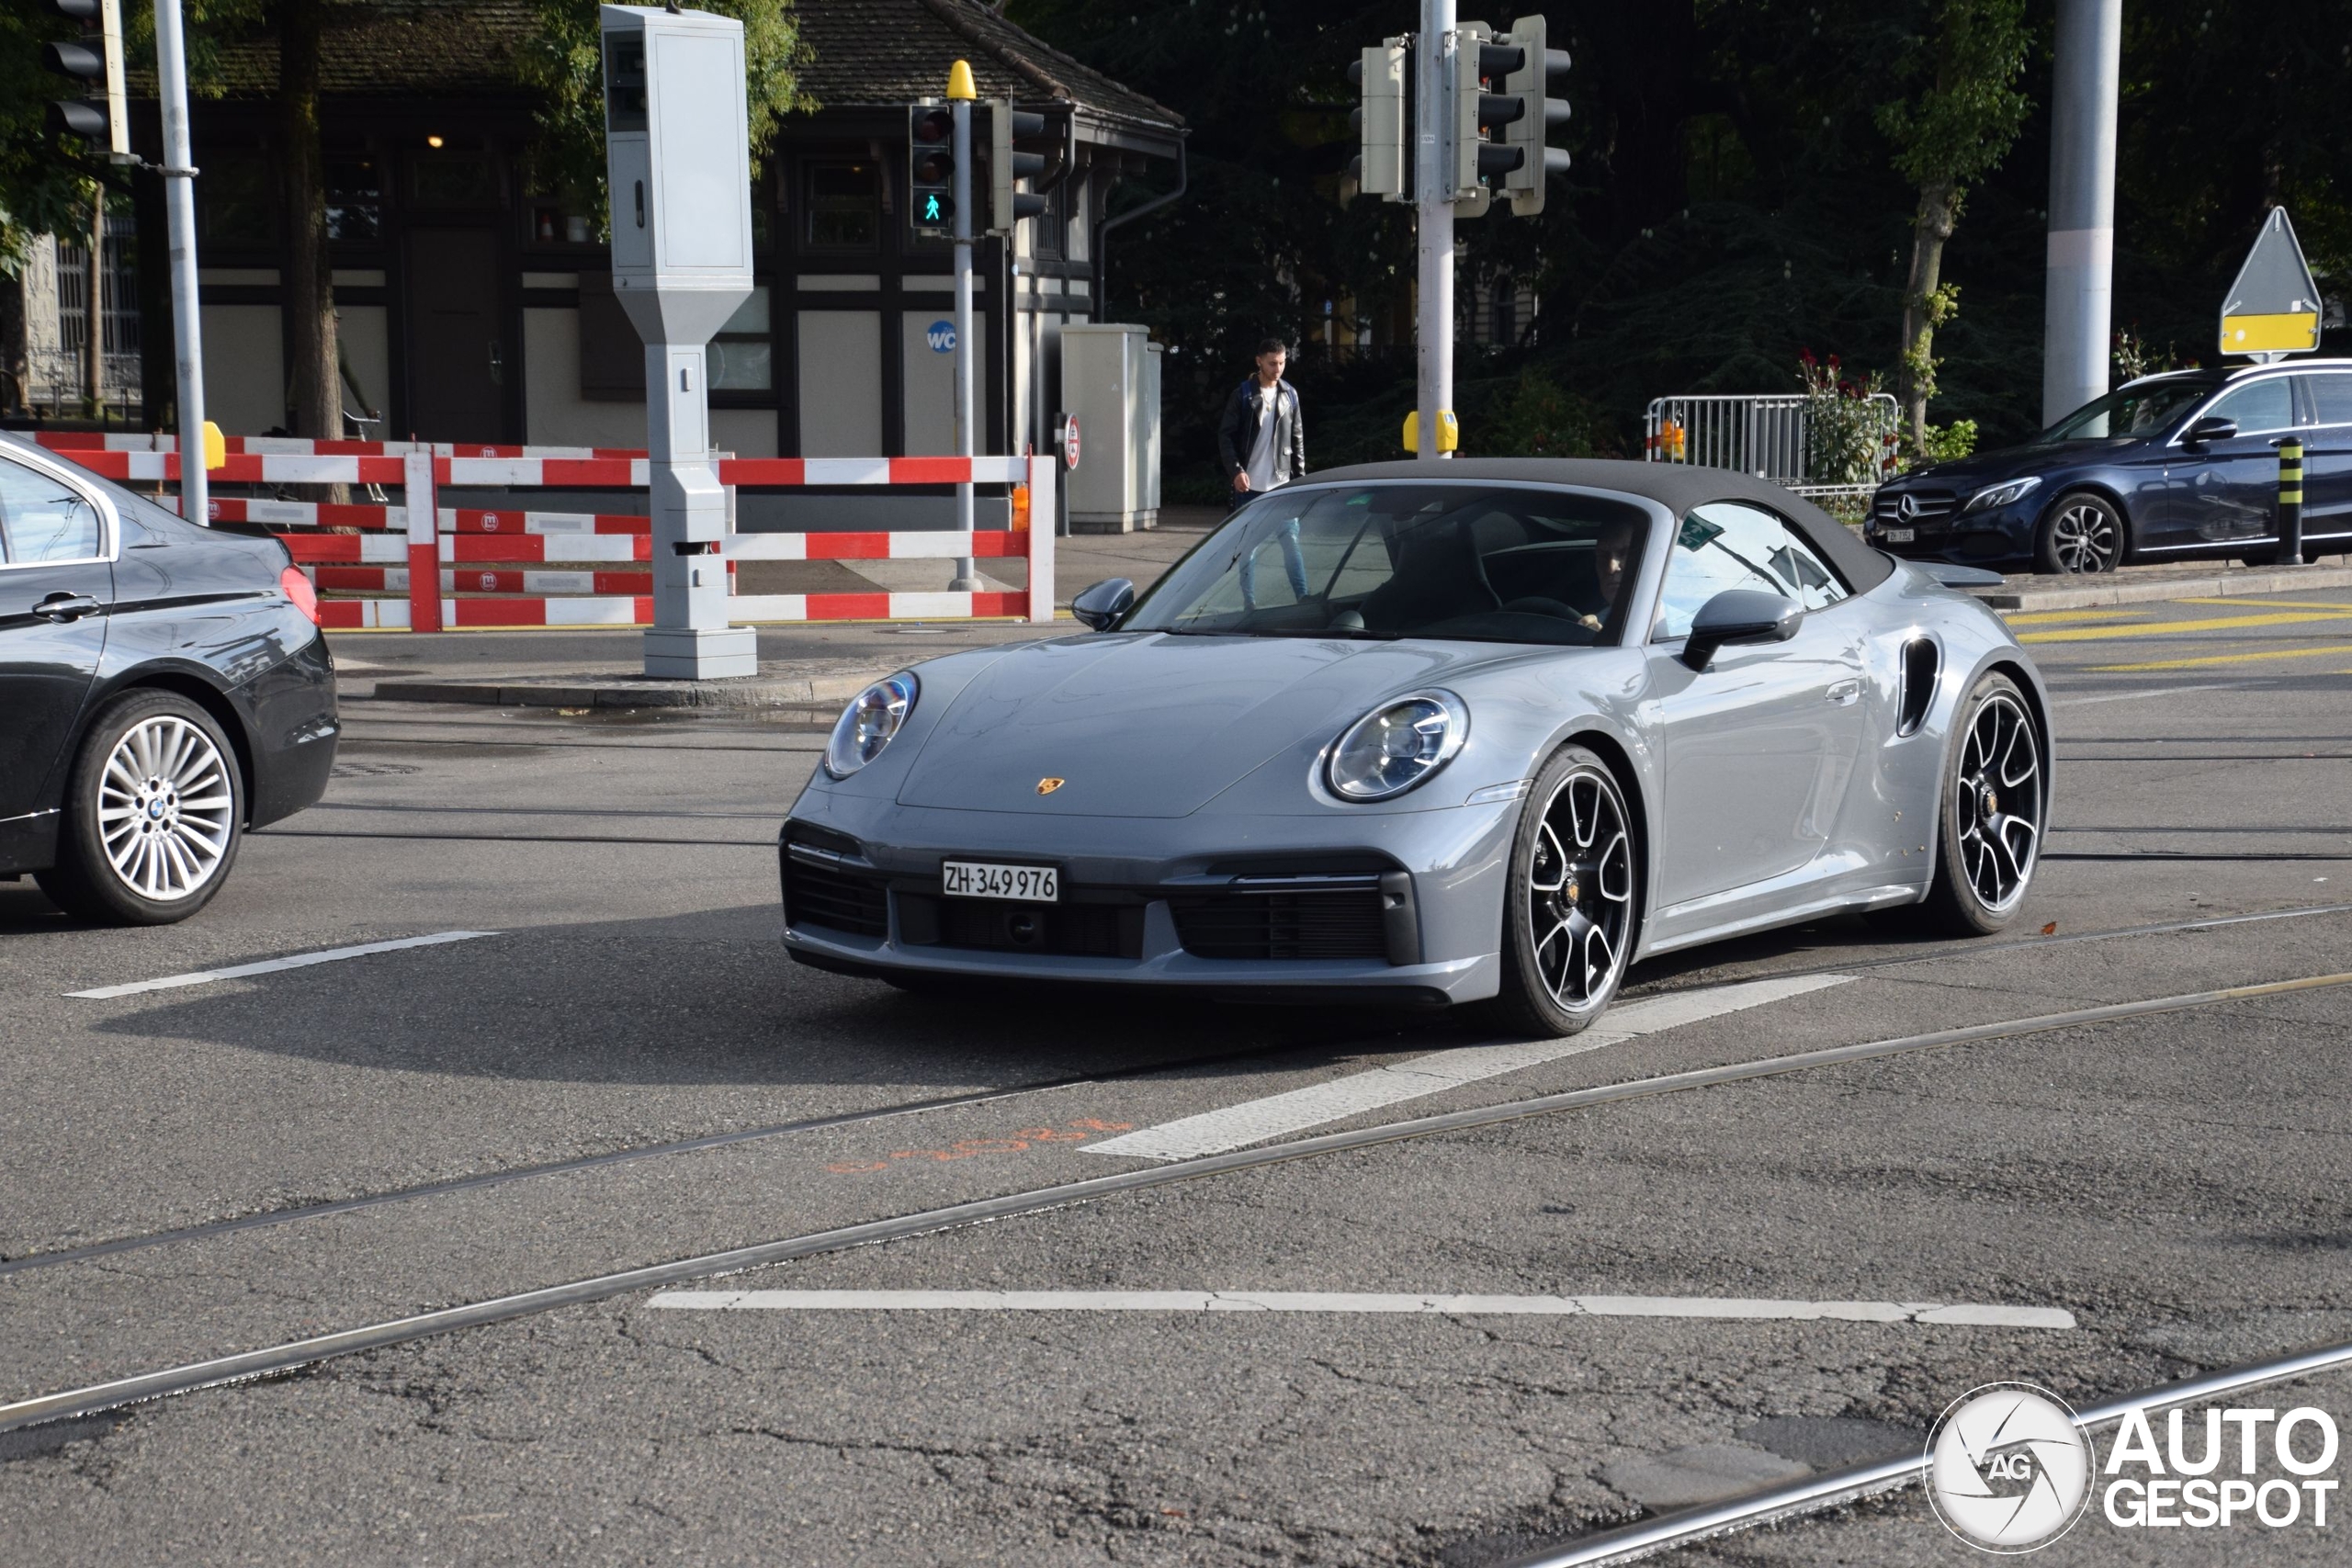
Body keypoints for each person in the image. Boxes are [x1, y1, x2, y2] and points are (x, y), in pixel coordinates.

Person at [1218, 338, 1308, 602]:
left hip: (1281, 486)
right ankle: (1249, 603)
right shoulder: (1244, 394)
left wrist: (1300, 484)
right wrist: (1236, 471)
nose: (1278, 368)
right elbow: (1225, 436)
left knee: (1291, 544)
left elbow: (1297, 440)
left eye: (1281, 362)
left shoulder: (1289, 394)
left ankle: (1303, 597)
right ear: (1259, 361)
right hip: (1249, 488)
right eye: (1272, 363)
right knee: (1249, 550)